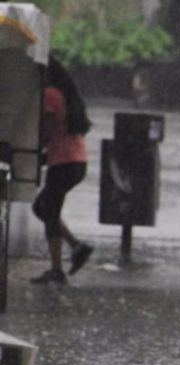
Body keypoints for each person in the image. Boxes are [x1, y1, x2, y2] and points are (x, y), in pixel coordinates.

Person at [30, 57, 95, 285]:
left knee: (48, 210)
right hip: (76, 161)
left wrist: (32, 147)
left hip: (63, 163)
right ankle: (77, 246)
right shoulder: (66, 94)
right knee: (42, 207)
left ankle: (56, 270)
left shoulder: (50, 95)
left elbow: (46, 131)